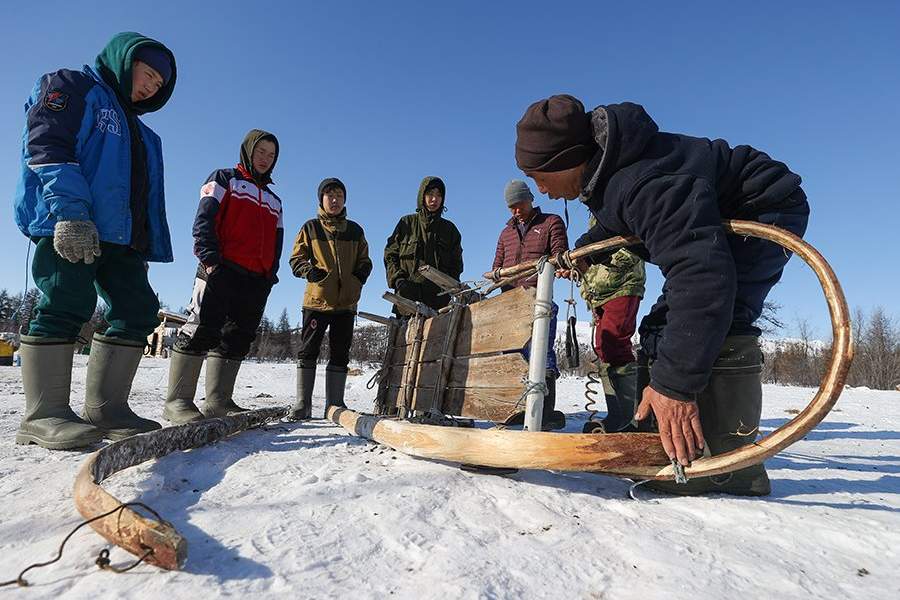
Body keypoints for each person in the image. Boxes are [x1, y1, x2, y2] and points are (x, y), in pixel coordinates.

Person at [515, 95, 809, 496]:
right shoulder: (610, 173)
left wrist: (675, 385)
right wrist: (587, 249)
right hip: (722, 214)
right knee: (659, 329)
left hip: (762, 208)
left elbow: (701, 274)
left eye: (539, 176)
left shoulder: (638, 183)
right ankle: (671, 448)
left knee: (723, 319)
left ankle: (729, 467)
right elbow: (620, 219)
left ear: (566, 159)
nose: (540, 189)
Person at [13, 32, 177, 450]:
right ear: (127, 61)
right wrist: (70, 211)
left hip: (120, 240)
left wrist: (141, 245)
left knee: (138, 308)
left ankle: (108, 409)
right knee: (66, 301)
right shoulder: (73, 86)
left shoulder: (142, 132)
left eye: (159, 85)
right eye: (148, 74)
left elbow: (140, 194)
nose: (150, 86)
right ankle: (43, 414)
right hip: (70, 224)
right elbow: (47, 143)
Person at [164, 130, 284, 424]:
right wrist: (209, 260)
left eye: (271, 155)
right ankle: (178, 402)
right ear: (248, 151)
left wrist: (270, 274)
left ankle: (219, 401)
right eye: (260, 152)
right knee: (201, 328)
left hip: (256, 278)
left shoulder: (274, 200)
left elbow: (277, 241)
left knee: (237, 336)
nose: (265, 159)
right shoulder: (224, 179)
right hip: (221, 268)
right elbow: (204, 218)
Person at [287, 178, 372, 420]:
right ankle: (303, 406)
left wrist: (359, 277)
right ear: (321, 199)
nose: (334, 200)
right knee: (308, 350)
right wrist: (309, 271)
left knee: (340, 353)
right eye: (329, 195)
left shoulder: (355, 231)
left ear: (345, 200)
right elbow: (296, 259)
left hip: (346, 303)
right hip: (317, 300)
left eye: (339, 196)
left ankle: (334, 406)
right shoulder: (310, 227)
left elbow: (365, 260)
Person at [489, 180, 569, 430]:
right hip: (511, 305)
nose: (515, 210)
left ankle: (544, 412)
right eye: (511, 207)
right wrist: (497, 275)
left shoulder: (551, 222)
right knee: (512, 354)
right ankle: (516, 409)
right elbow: (497, 266)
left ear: (530, 199)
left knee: (541, 353)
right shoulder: (506, 233)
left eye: (519, 204)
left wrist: (555, 264)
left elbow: (560, 254)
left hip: (539, 299)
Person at [579, 216, 645, 433]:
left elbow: (626, 242)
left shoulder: (618, 201)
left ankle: (633, 418)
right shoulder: (596, 210)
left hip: (622, 283)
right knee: (603, 347)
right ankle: (619, 415)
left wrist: (594, 263)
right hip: (600, 290)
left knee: (615, 343)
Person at [384, 177, 463, 313]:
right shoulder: (406, 223)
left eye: (439, 195)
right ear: (422, 196)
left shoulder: (450, 230)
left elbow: (456, 265)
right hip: (407, 301)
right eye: (430, 194)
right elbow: (390, 255)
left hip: (439, 304)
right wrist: (398, 280)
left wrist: (448, 288)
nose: (434, 199)